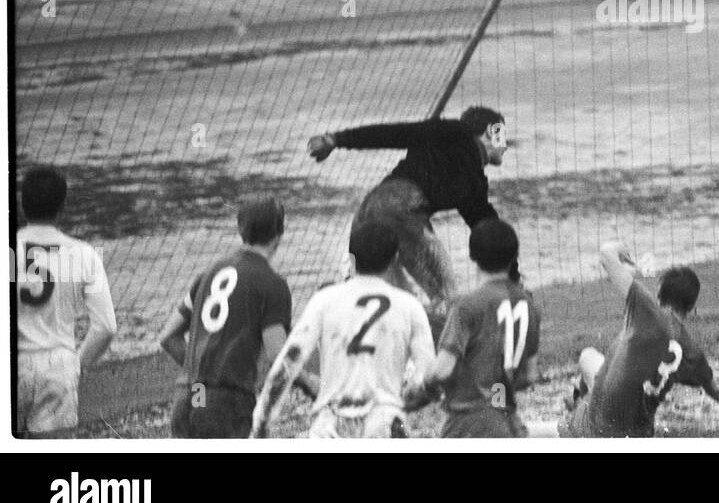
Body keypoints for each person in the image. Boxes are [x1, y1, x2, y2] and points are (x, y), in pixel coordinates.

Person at [307, 105, 507, 324]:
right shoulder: (454, 132)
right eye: (502, 135)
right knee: (446, 297)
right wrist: (337, 140)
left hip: (367, 214)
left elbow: (488, 230)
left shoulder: (474, 184)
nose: (505, 146)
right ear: (491, 131)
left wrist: (512, 279)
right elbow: (396, 133)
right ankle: (450, 353)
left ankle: (336, 298)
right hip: (400, 212)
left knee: (395, 307)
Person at [250, 221, 436, 438]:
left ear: (352, 260)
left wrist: (261, 424)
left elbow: (287, 363)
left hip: (331, 423)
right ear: (394, 260)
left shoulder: (325, 300)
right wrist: (403, 402)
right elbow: (430, 379)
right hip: (383, 421)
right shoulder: (409, 306)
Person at [158, 196, 312, 438]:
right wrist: (311, 384)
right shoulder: (272, 284)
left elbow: (168, 337)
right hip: (225, 405)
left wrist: (202, 376)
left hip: (189, 394)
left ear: (241, 230)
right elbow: (278, 356)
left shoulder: (208, 273)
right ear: (279, 235)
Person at [562, 240, 719, 437]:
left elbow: (606, 253)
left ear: (658, 294)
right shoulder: (692, 353)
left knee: (586, 359)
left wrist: (625, 255)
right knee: (593, 363)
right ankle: (577, 400)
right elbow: (715, 389)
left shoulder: (647, 310)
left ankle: (575, 404)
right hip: (641, 437)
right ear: (691, 308)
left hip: (599, 431)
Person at [405, 219, 540, 438]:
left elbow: (442, 370)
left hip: (469, 424)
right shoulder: (528, 304)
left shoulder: (468, 306)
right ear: (514, 256)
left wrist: (420, 382)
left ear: (473, 256)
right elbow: (529, 375)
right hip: (508, 421)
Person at [16, 165, 117, 437]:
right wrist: (76, 363)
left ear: (22, 204)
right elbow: (106, 326)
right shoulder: (83, 254)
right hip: (58, 366)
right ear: (63, 207)